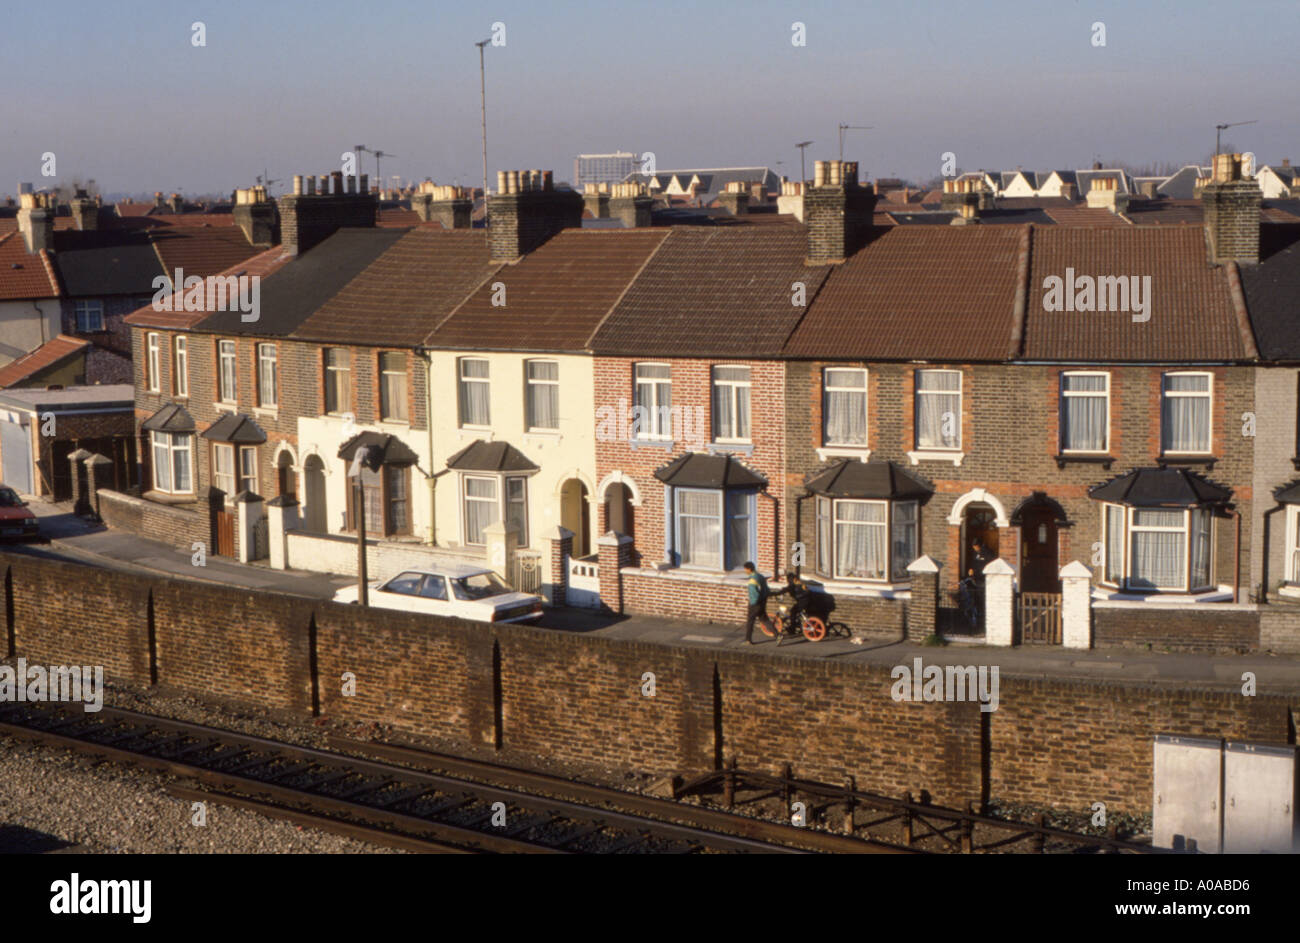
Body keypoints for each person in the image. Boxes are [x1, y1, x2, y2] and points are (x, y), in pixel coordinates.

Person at [742, 562, 774, 644]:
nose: (745, 571)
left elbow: (754, 594)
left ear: (749, 569)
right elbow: (767, 590)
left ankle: (748, 640)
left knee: (750, 621)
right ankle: (778, 635)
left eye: (745, 569)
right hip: (762, 602)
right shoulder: (761, 577)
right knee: (765, 619)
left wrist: (752, 603)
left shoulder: (752, 580)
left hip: (755, 604)